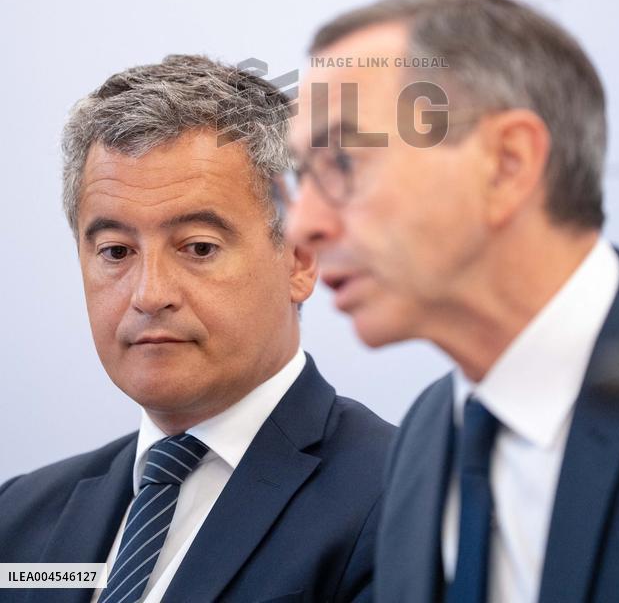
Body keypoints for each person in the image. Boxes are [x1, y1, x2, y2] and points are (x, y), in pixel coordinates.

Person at [280, 0, 619, 603]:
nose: (302, 227)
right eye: (302, 178)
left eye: (344, 162)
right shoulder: (423, 439)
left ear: (507, 164)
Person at [0, 55, 394, 603]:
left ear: (301, 260)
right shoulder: (17, 520)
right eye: (115, 251)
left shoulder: (400, 505)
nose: (149, 294)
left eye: (199, 247)